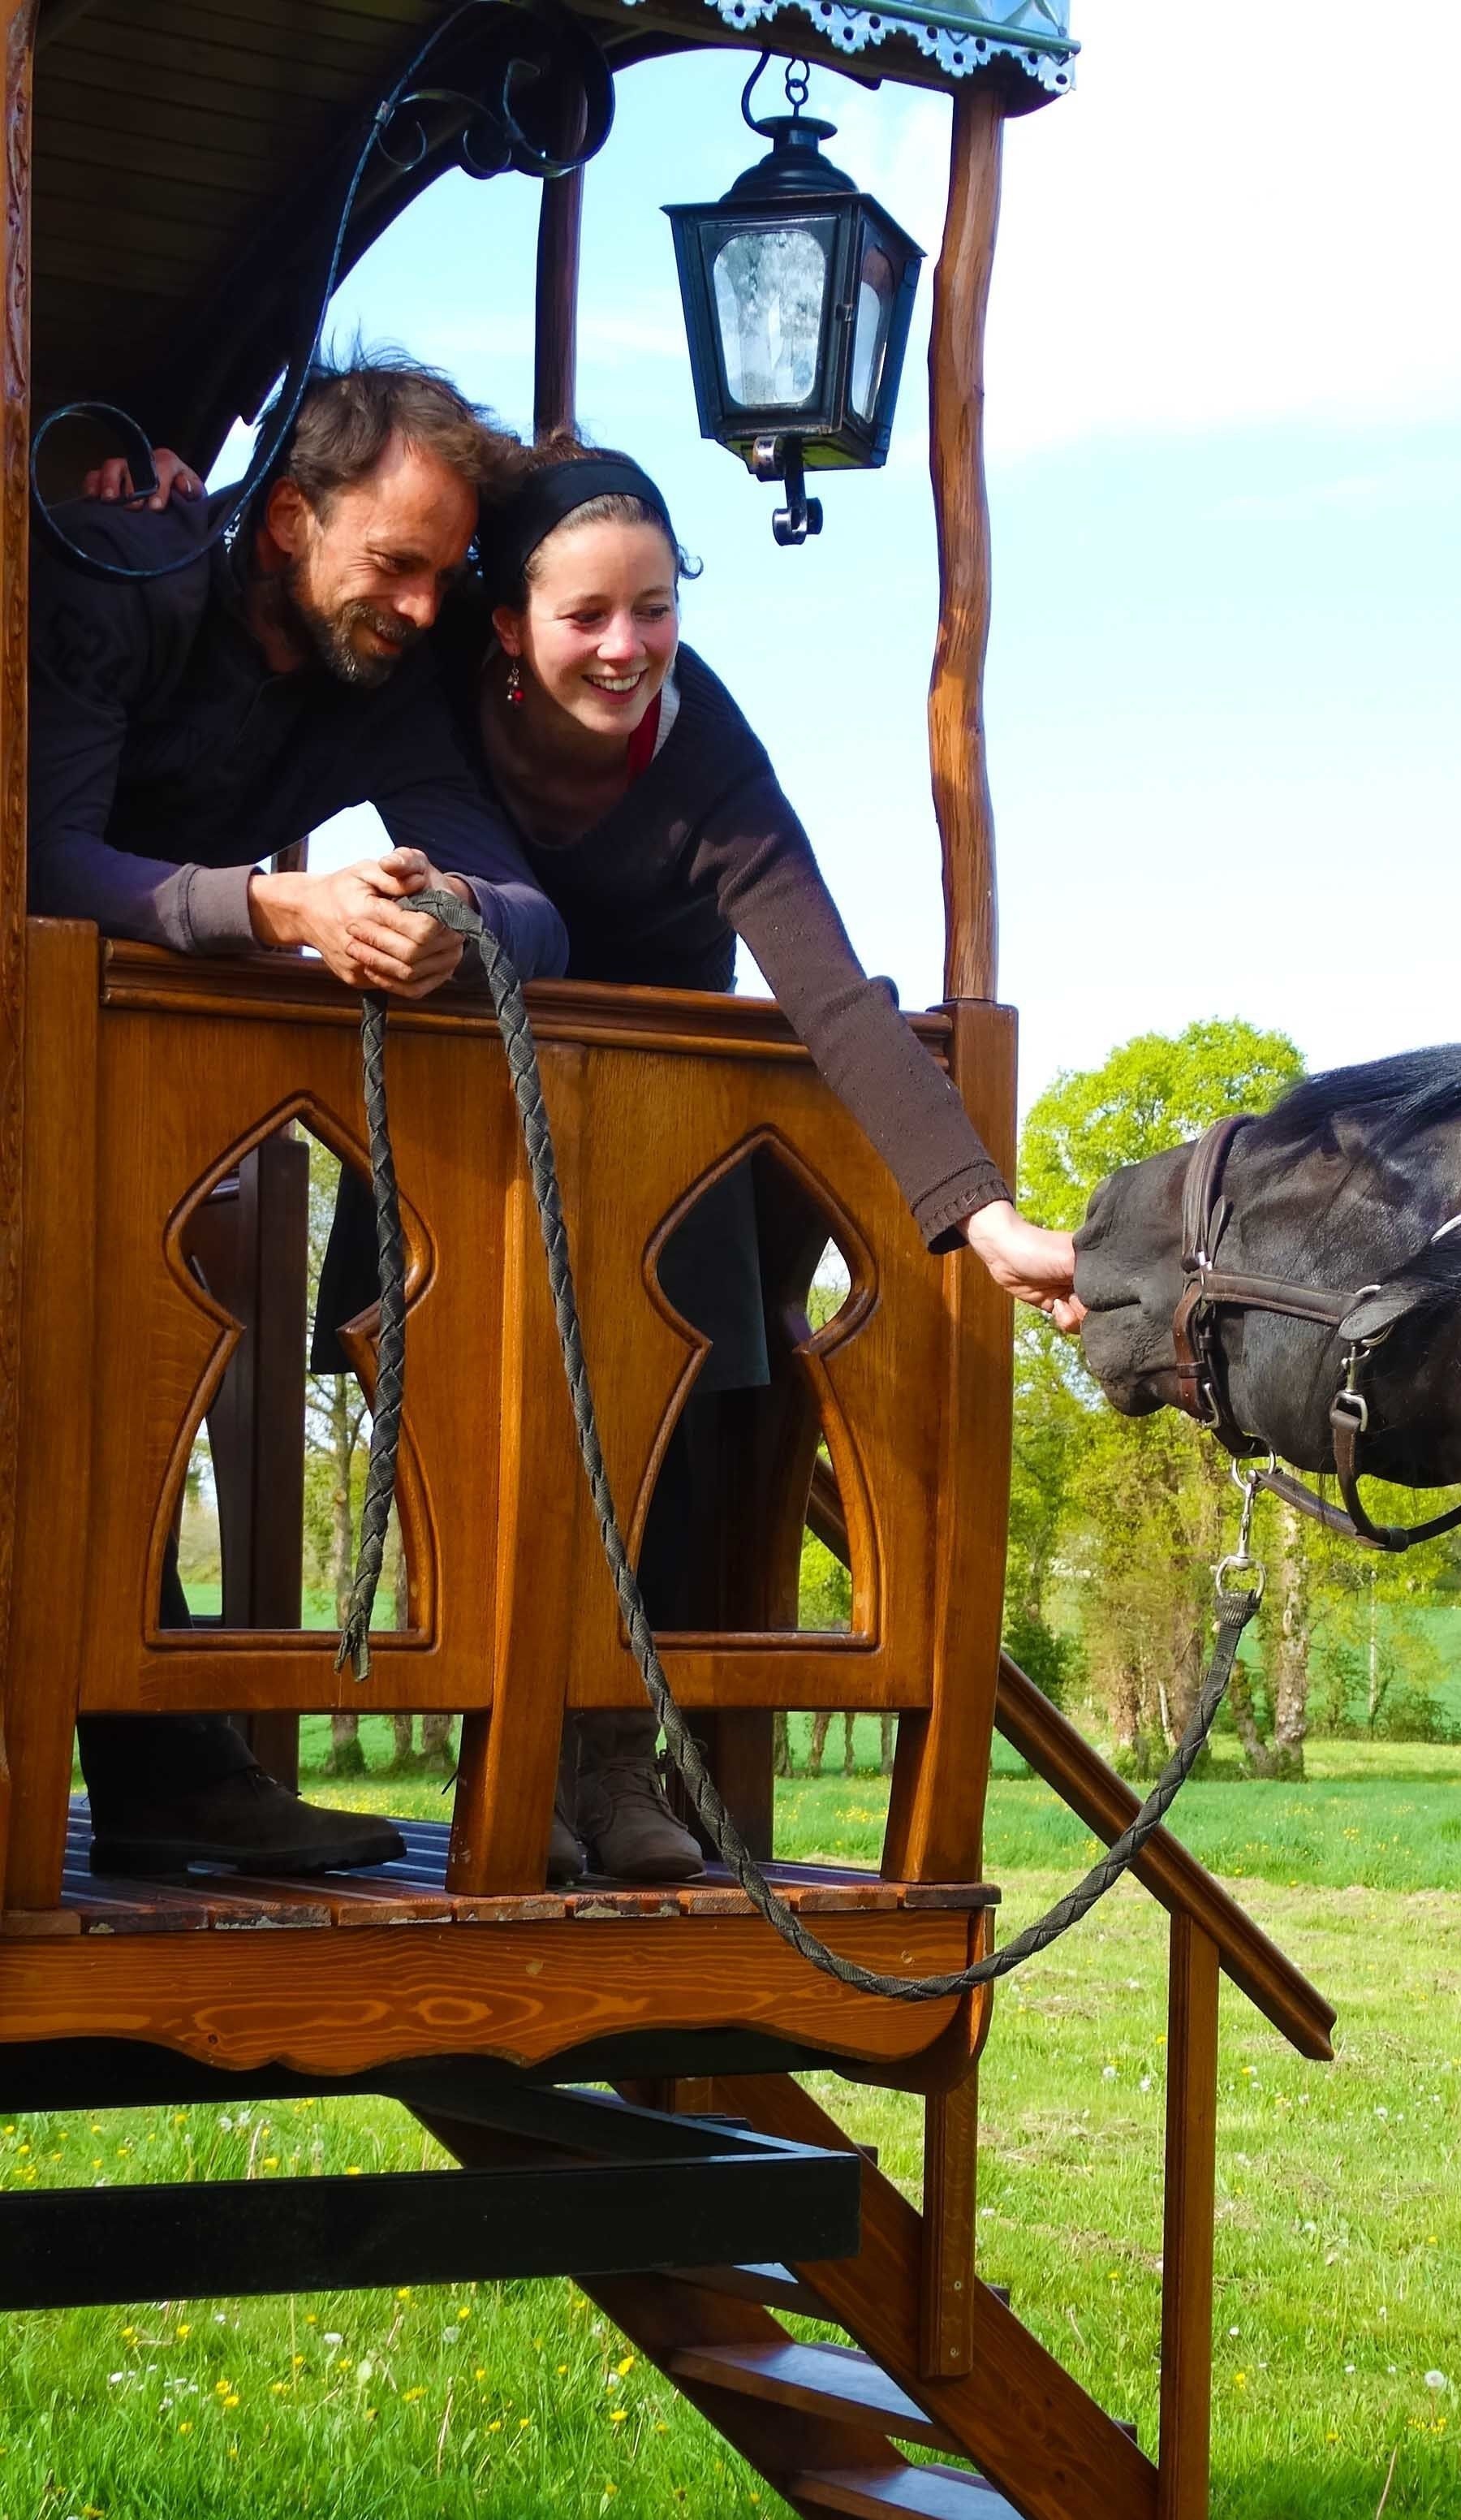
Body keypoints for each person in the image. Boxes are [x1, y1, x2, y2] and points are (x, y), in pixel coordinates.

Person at [393, 439, 1079, 1882]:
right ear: (509, 623)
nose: (628, 646)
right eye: (587, 615)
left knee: (653, 1448)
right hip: (474, 1104)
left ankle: (609, 1763)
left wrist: (982, 1217)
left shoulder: (706, 757)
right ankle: (493, 1756)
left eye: (655, 608)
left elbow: (833, 997)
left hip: (657, 1128)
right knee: (473, 1430)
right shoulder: (423, 683)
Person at [36, 358, 568, 1877]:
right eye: (393, 565)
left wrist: (452, 923)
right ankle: (171, 1774)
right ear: (285, 521)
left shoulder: (380, 689)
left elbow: (535, 909)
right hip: (48, 1036)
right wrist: (280, 907)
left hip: (122, 1087)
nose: (420, 608)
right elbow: (42, 855)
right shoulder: (123, 583)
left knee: (117, 1379)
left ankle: (168, 1778)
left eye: (440, 573)